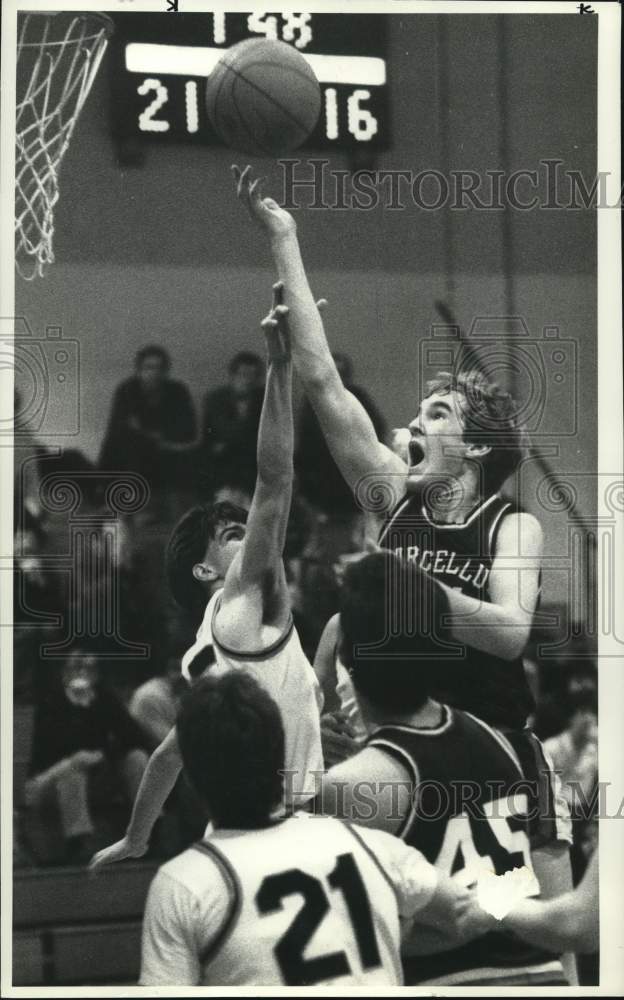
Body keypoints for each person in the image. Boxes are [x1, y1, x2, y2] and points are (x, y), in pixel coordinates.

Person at [233, 164, 576, 981]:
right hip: (407, 752)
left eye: (434, 414)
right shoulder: (392, 497)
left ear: (477, 448)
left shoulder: (512, 525)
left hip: (500, 756)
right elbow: (324, 382)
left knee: (547, 951)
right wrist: (284, 239)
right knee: (413, 947)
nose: (406, 424)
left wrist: (408, 595)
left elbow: (509, 632)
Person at [90, 284, 324, 869]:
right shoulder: (240, 599)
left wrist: (136, 838)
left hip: (239, 834)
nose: (252, 537)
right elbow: (275, 480)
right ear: (204, 570)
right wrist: (279, 368)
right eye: (232, 535)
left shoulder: (209, 650)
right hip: (287, 831)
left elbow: (168, 756)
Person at [315, 551, 570, 987]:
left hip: (456, 980)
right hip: (540, 974)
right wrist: (473, 918)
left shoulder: (351, 785)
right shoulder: (497, 741)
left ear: (349, 663)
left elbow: (357, 939)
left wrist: (442, 927)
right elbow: (513, 887)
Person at [140, 670, 487, 987]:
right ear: (282, 754)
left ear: (191, 779)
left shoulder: (183, 882)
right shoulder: (367, 843)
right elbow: (471, 913)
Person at [25, 648, 149, 864]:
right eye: (76, 667)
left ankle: (148, 830)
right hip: (51, 780)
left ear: (97, 675)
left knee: (136, 758)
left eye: (89, 668)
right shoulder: (51, 703)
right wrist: (77, 758)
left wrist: (103, 754)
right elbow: (47, 755)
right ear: (64, 673)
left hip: (96, 778)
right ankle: (79, 842)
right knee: (73, 772)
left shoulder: (104, 699)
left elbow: (134, 736)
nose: (82, 673)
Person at [99, 344, 197, 498]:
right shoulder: (127, 390)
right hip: (135, 453)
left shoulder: (178, 391)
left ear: (166, 371)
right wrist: (157, 434)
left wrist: (145, 431)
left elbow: (188, 430)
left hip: (168, 452)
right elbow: (118, 431)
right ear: (139, 370)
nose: (155, 373)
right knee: (127, 449)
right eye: (149, 367)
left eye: (160, 368)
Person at [200, 350, 264, 496]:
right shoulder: (216, 399)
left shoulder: (265, 400)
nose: (248, 380)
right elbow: (221, 431)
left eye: (253, 376)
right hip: (222, 461)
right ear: (232, 375)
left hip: (253, 460)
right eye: (243, 375)